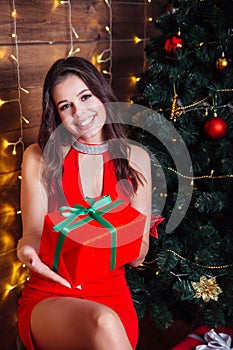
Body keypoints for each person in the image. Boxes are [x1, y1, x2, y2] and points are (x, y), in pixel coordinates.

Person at [17, 56, 152, 350]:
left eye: (85, 97)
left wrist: (106, 237)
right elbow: (33, 234)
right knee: (103, 323)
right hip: (51, 293)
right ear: (58, 115)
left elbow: (139, 254)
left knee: (107, 322)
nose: (80, 112)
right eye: (66, 106)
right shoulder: (38, 157)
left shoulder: (136, 158)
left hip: (111, 292)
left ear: (101, 95)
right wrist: (26, 249)